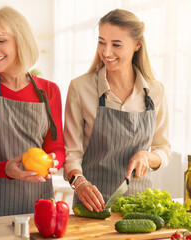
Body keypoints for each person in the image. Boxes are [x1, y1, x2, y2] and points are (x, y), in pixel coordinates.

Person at [0, 6, 65, 218]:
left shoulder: (49, 91)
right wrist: (5, 169)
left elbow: (56, 146)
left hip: (40, 205)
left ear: (22, 41)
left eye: (1, 40)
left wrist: (54, 162)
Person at [63, 9, 171, 213]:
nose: (106, 52)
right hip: (92, 206)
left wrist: (147, 157)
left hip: (142, 207)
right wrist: (79, 181)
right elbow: (71, 152)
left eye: (116, 44)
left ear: (137, 44)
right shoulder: (80, 88)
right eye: (101, 42)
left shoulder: (156, 91)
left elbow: (163, 149)